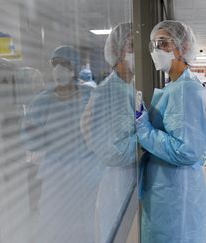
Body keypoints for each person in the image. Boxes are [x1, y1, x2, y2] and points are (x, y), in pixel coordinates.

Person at [136, 20, 206, 243]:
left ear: (182, 48)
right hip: (169, 190)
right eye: (154, 45)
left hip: (176, 193)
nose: (157, 50)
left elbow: (185, 151)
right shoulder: (175, 86)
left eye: (163, 44)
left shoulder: (186, 89)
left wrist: (144, 128)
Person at [21, 45, 101, 243]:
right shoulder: (41, 102)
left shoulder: (89, 96)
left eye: (63, 64)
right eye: (55, 64)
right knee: (54, 223)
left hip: (88, 171)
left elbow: (101, 131)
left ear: (74, 67)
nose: (58, 69)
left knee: (88, 222)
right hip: (55, 173)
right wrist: (41, 138)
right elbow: (29, 138)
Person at [79, 22, 136, 242]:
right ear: (117, 52)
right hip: (118, 184)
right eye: (132, 46)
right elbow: (111, 153)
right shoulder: (107, 94)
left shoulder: (130, 87)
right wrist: (149, 140)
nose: (138, 52)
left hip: (132, 178)